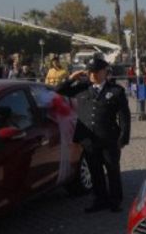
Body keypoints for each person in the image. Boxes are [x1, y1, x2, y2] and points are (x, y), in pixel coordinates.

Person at [55, 57, 131, 213]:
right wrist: (71, 79)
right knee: (95, 171)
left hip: (109, 138)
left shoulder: (115, 91)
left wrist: (123, 137)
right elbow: (58, 91)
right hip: (88, 139)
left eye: (97, 72)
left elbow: (124, 116)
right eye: (90, 72)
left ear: (105, 72)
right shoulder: (81, 88)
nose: (93, 75)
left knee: (112, 170)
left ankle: (115, 200)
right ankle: (100, 199)